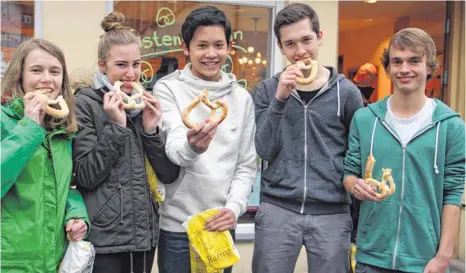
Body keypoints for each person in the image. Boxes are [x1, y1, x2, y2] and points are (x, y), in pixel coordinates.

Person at [252, 3, 364, 273]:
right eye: (290, 44)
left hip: (332, 211)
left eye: (306, 40)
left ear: (320, 37)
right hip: (278, 208)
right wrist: (280, 99)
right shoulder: (268, 90)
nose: (300, 51)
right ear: (280, 47)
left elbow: (357, 153)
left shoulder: (346, 92)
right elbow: (264, 150)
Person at [343, 27, 465, 273]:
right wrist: (354, 184)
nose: (404, 69)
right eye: (397, 61)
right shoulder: (365, 120)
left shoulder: (452, 126)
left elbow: (453, 194)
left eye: (414, 61)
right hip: (372, 255)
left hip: (425, 260)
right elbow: (349, 172)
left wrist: (444, 256)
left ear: (429, 66)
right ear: (388, 68)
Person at [71, 12, 180, 273]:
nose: (131, 74)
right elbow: (85, 175)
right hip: (104, 238)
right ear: (102, 65)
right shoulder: (84, 103)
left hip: (144, 236)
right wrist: (117, 127)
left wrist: (151, 132)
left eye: (136, 64)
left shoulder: (145, 105)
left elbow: (168, 173)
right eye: (121, 65)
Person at [154, 6, 257, 273]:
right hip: (177, 226)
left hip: (220, 225)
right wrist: (192, 147)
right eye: (201, 45)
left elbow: (246, 165)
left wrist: (234, 209)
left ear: (229, 46)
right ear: (185, 47)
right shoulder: (168, 88)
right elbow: (174, 147)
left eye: (218, 45)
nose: (211, 54)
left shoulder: (242, 99)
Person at [1, 38, 89, 272]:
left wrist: (77, 215)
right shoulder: (3, 120)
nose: (47, 79)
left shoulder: (61, 128)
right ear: (19, 75)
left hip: (54, 258)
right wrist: (29, 127)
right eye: (36, 70)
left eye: (54, 71)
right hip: (11, 261)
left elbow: (64, 185)